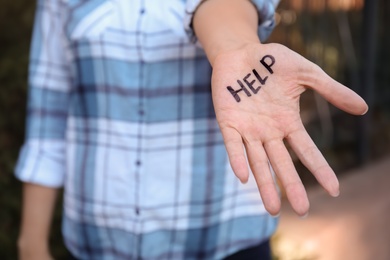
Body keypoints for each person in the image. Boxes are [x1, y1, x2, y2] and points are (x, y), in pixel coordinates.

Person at [15, 0, 368, 259]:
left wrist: (235, 49)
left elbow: (221, 8)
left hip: (224, 242)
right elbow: (48, 115)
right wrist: (31, 243)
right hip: (99, 245)